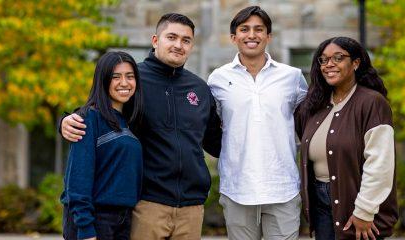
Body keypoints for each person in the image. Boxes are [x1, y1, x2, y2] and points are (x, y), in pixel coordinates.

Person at [60, 13, 222, 240]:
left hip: (192, 208)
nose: (178, 45)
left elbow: (217, 142)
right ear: (155, 40)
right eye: (172, 37)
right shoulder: (133, 80)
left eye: (186, 40)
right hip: (147, 205)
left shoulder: (200, 89)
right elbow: (100, 109)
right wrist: (67, 120)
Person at [207, 6, 308, 240]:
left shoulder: (292, 77)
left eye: (258, 29)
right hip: (237, 188)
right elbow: (214, 126)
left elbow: (307, 123)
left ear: (268, 36)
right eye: (244, 29)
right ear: (234, 37)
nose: (251, 35)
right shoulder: (218, 79)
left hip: (282, 187)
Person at [296, 36, 398, 240]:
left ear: (356, 63)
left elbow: (380, 163)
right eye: (323, 60)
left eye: (338, 58)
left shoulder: (371, 103)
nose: (329, 65)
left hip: (356, 204)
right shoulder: (314, 105)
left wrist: (364, 210)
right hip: (320, 203)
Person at [61, 51, 144, 240]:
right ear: (103, 80)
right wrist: (85, 229)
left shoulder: (129, 122)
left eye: (130, 76)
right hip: (94, 220)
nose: (124, 83)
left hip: (123, 219)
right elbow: (78, 178)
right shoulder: (89, 119)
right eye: (116, 77)